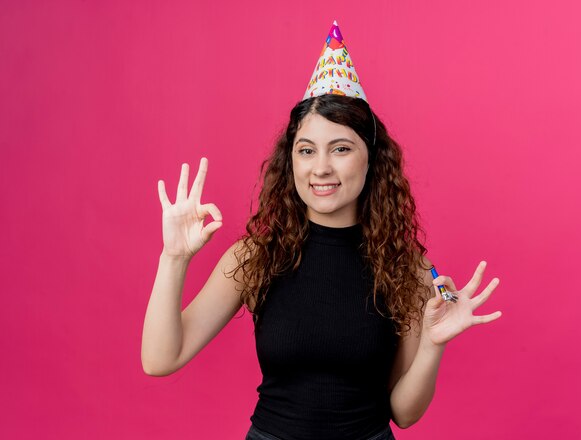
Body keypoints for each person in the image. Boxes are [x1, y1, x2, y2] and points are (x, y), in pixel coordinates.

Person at [141, 21, 502, 440]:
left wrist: (432, 346)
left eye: (342, 149)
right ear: (290, 160)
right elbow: (159, 359)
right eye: (307, 150)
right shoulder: (255, 255)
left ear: (372, 160)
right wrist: (174, 259)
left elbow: (403, 414)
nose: (321, 168)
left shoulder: (408, 268)